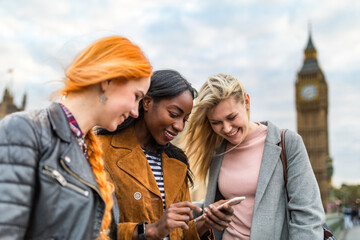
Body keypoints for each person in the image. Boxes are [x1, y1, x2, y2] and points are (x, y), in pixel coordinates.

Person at [0, 36, 152, 239]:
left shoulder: (90, 153)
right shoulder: (25, 130)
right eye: (136, 96)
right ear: (108, 80)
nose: (135, 111)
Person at [180, 73, 326, 239]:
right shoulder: (216, 151)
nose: (226, 128)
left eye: (231, 117)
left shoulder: (287, 143)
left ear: (246, 101)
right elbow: (221, 206)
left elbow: (308, 217)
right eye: (216, 122)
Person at [96, 70, 234, 240]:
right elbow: (89, 227)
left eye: (185, 119)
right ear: (147, 103)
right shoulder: (100, 150)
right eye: (174, 114)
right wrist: (150, 231)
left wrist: (207, 222)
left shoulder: (177, 162)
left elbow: (180, 233)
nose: (179, 126)